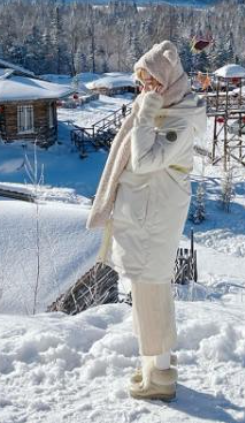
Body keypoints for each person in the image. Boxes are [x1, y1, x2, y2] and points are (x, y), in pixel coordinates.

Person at [86, 40, 206, 402]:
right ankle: (154, 366)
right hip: (144, 214)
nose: (144, 89)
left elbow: (143, 161)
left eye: (151, 81)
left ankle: (162, 375)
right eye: (141, 81)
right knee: (144, 293)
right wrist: (147, 108)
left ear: (167, 81)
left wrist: (145, 110)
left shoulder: (179, 119)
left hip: (154, 217)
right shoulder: (161, 109)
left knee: (151, 292)